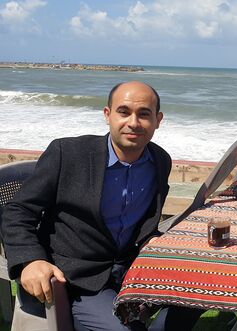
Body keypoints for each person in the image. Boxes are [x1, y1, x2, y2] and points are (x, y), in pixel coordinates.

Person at [2, 81, 202, 330]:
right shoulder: (68, 153)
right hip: (78, 279)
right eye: (123, 111)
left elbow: (145, 221)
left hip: (131, 267)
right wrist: (30, 260)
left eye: (144, 114)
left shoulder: (159, 160)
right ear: (107, 115)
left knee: (202, 290)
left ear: (158, 120)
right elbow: (18, 210)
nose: (133, 122)